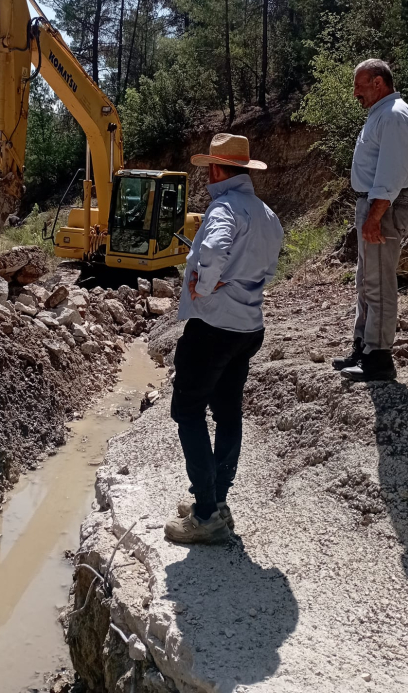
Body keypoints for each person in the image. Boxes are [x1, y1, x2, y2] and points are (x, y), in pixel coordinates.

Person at [164, 133, 283, 545]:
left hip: (213, 328)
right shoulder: (267, 214)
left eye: (208, 170)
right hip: (249, 328)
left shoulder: (224, 208)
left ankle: (205, 515)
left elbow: (213, 251)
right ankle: (217, 501)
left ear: (215, 169)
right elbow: (270, 267)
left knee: (188, 411)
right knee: (228, 412)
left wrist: (203, 285)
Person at [333, 59, 408, 382]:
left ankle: (379, 357)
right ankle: (364, 347)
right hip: (374, 204)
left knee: (379, 282)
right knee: (366, 281)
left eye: (359, 85)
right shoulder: (382, 114)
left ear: (378, 82)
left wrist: (375, 215)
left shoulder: (394, 115)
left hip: (385, 205)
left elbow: (391, 172)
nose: (355, 93)